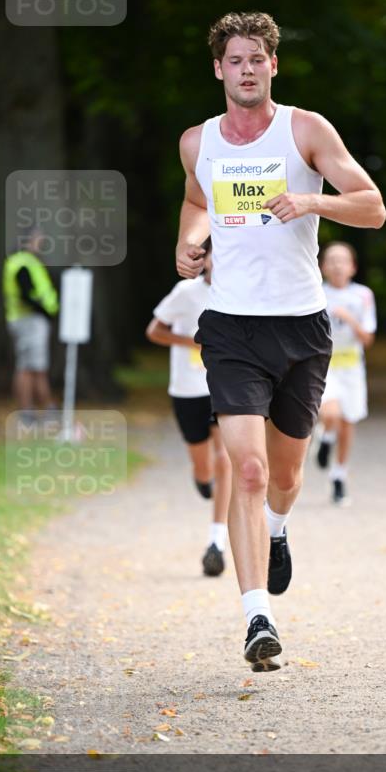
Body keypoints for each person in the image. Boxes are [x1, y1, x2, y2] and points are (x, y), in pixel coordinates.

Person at [175, 11, 386, 671]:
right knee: (247, 468)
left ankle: (278, 529)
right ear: (218, 68)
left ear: (273, 65)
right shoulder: (197, 142)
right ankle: (256, 614)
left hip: (300, 326)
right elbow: (194, 200)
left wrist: (312, 202)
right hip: (231, 325)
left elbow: (372, 205)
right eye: (234, 60)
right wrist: (187, 243)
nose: (245, 70)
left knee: (287, 475)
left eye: (256, 59)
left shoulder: (305, 130)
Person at [146, 240, 232, 576]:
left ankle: (217, 541)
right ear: (205, 258)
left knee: (225, 457)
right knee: (204, 465)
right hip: (187, 388)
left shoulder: (241, 293)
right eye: (215, 254)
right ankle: (202, 477)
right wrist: (191, 341)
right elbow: (154, 331)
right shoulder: (185, 292)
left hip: (224, 387)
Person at [316, 241, 377, 505]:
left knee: (348, 422)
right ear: (322, 267)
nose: (337, 265)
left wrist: (348, 318)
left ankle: (339, 476)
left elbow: (367, 338)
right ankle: (327, 435)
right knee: (330, 413)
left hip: (352, 366)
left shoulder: (362, 295)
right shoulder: (315, 293)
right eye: (331, 260)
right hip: (324, 365)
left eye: (342, 260)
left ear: (352, 267)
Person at [3, 230, 59, 419]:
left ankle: (38, 408)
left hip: (27, 320)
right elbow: (25, 293)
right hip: (29, 321)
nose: (41, 243)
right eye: (38, 239)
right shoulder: (23, 263)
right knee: (31, 367)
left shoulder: (24, 262)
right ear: (28, 240)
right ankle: (32, 409)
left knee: (32, 366)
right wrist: (44, 311)